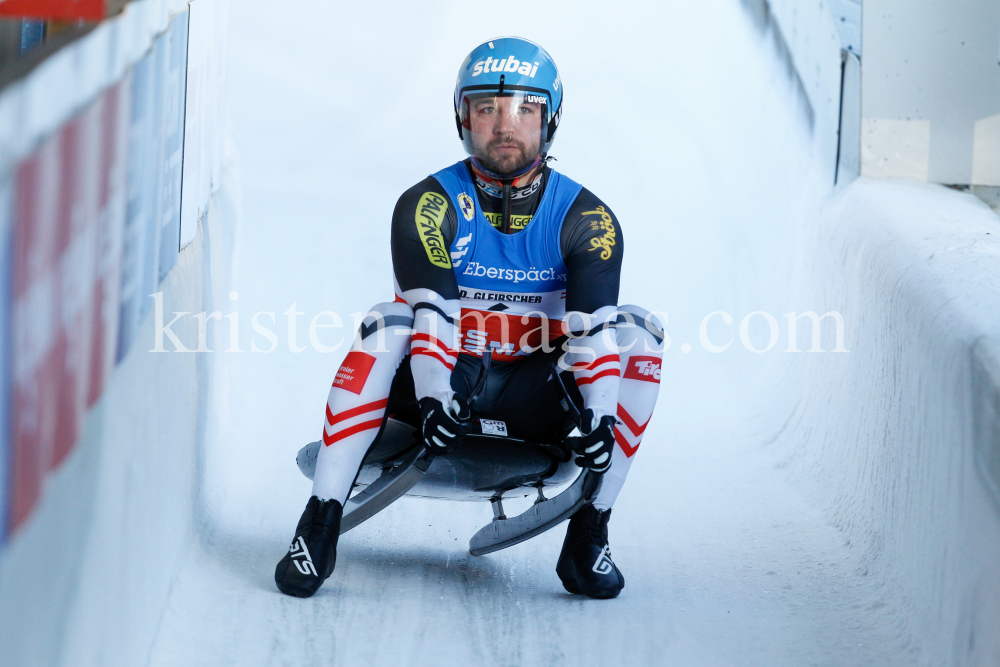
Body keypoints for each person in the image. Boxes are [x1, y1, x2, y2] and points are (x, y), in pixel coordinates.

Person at [274, 37, 664, 600]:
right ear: (464, 117)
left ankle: (589, 533)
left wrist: (600, 415)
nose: (505, 126)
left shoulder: (587, 219)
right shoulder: (428, 202)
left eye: (524, 110)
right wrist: (436, 394)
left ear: (549, 120)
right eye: (489, 109)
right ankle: (318, 521)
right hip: (441, 382)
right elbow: (431, 315)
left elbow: (590, 333)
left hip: (534, 397)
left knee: (639, 332)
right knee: (391, 320)